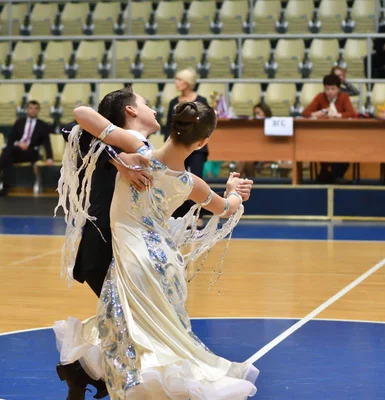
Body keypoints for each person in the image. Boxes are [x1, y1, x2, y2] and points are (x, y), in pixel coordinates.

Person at [53, 101, 256, 399]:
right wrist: (233, 192)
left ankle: (106, 380)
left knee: (131, 334)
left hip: (134, 257)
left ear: (174, 127)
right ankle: (90, 376)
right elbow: (226, 208)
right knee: (160, 335)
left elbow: (81, 113)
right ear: (203, 142)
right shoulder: (190, 183)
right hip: (166, 262)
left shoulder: (138, 148)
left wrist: (119, 157)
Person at [163, 68, 209, 226]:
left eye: (179, 79)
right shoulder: (173, 102)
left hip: (196, 147)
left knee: (196, 179)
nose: (176, 83)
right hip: (178, 147)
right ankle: (177, 214)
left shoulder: (201, 100)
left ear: (188, 82)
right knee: (175, 180)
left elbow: (205, 124)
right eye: (176, 79)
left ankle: (198, 215)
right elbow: (169, 127)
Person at [0, 100, 53, 197]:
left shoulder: (42, 125)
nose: (33, 111)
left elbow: (47, 143)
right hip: (18, 150)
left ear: (38, 110)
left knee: (7, 152)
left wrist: (49, 158)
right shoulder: (19, 122)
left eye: (35, 109)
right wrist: (19, 143)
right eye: (31, 108)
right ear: (27, 109)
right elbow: (11, 139)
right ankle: (5, 188)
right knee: (8, 157)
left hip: (31, 152)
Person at [302, 74, 358, 183]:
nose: (330, 92)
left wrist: (339, 115)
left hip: (342, 136)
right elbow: (305, 113)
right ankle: (333, 177)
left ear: (338, 88)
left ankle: (330, 176)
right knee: (323, 151)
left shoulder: (344, 97)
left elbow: (352, 113)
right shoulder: (320, 97)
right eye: (327, 89)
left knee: (345, 152)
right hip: (324, 136)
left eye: (333, 89)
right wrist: (319, 112)